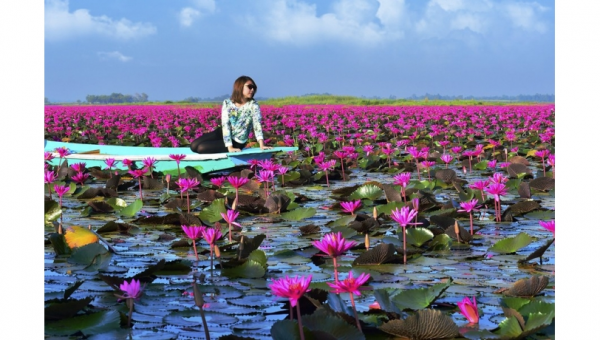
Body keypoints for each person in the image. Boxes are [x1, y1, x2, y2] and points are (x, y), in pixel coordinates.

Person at [190, 75, 272, 154]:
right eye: (250, 87)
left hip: (237, 141)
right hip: (223, 133)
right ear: (240, 87)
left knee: (201, 148)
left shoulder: (253, 105)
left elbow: (257, 125)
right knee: (193, 146)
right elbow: (225, 124)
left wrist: (262, 145)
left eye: (254, 87)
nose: (252, 90)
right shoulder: (227, 103)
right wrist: (229, 146)